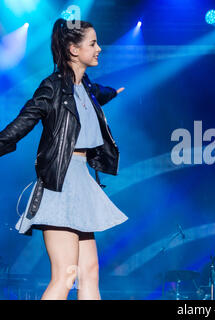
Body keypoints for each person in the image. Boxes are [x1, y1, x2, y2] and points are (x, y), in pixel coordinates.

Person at [0, 18, 128, 300]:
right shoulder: (52, 87)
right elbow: (22, 123)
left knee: (90, 272)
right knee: (66, 274)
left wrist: (112, 93)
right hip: (60, 181)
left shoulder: (87, 88)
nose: (99, 49)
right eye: (93, 43)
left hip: (82, 181)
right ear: (73, 49)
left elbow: (97, 96)